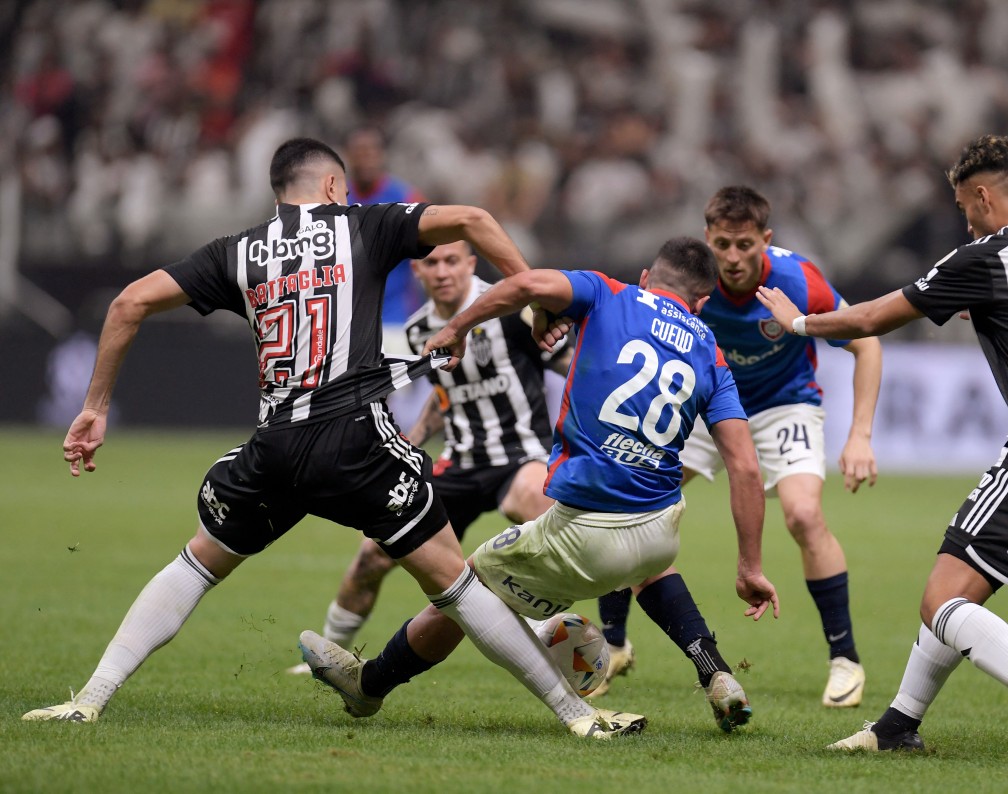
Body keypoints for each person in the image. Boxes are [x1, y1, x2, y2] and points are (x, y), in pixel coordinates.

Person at [22, 137, 642, 739]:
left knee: (197, 563)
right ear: (331, 186)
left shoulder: (238, 251)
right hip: (355, 442)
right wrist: (533, 296)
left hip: (276, 448)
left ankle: (91, 699)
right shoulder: (362, 225)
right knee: (455, 584)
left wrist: (95, 407)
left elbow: (129, 302)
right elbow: (475, 219)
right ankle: (578, 716)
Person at [298, 236, 781, 733]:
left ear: (646, 278)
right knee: (645, 565)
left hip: (587, 532)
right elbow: (745, 467)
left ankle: (369, 685)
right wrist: (750, 567)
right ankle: (717, 674)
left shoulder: (610, 292)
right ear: (701, 303)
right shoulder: (712, 355)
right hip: (661, 531)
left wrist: (460, 325)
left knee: (464, 586)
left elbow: (527, 283)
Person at [757, 134, 1008, 767]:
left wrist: (797, 322)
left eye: (963, 207)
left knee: (941, 602)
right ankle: (898, 725)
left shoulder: (986, 255)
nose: (966, 220)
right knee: (957, 588)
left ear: (982, 195)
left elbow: (869, 320)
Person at [591, 186, 882, 709]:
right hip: (704, 407)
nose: (732, 257)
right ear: (708, 238)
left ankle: (845, 661)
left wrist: (860, 434)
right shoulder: (691, 283)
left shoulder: (797, 279)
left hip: (782, 406)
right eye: (722, 243)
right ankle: (612, 643)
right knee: (627, 496)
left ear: (765, 240)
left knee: (802, 515)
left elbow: (867, 343)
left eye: (744, 245)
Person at [283, 238, 570, 673]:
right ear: (417, 271)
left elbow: (569, 362)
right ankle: (323, 656)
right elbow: (444, 395)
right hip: (458, 461)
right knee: (372, 556)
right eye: (431, 262)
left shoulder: (509, 308)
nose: (442, 271)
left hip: (519, 455)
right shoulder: (420, 329)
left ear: (471, 264)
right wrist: (413, 439)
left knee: (537, 506)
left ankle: (580, 635)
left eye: (452, 261)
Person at [343, 125, 431, 427]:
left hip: (397, 318)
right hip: (351, 321)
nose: (365, 159)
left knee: (397, 411)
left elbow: (432, 249)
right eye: (359, 153)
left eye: (371, 152)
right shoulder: (338, 199)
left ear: (381, 156)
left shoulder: (404, 196)